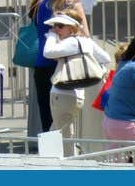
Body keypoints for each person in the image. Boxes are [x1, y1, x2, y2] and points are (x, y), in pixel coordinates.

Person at [42, 9, 113, 153]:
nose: (56, 29)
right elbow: (106, 58)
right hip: (78, 94)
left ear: (72, 28)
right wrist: (98, 71)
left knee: (63, 135)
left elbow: (47, 53)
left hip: (62, 94)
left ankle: (68, 165)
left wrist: (51, 36)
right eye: (55, 26)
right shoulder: (86, 42)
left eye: (60, 26)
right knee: (57, 131)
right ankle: (47, 161)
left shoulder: (71, 43)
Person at [24, 0, 80, 134]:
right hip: (60, 66)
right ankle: (63, 154)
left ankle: (48, 153)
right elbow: (82, 33)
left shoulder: (40, 2)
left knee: (47, 118)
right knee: (65, 118)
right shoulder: (68, 5)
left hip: (41, 65)